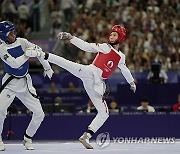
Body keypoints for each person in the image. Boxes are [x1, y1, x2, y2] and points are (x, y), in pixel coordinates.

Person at [25, 25, 136, 149]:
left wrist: (131, 82)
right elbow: (87, 47)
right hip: (89, 73)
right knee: (66, 63)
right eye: (111, 34)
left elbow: (125, 69)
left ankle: (86, 136)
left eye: (114, 35)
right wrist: (71, 37)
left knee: (104, 113)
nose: (111, 36)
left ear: (121, 37)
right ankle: (39, 53)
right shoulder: (105, 47)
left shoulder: (121, 57)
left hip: (97, 84)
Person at [0, 21, 54, 151]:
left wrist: (47, 67)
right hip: (10, 83)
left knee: (39, 114)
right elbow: (14, 64)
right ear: (2, 36)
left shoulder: (23, 42)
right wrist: (26, 55)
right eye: (10, 33)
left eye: (14, 31)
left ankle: (27, 138)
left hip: (25, 82)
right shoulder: (1, 49)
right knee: (0, 111)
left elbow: (39, 52)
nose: (13, 34)